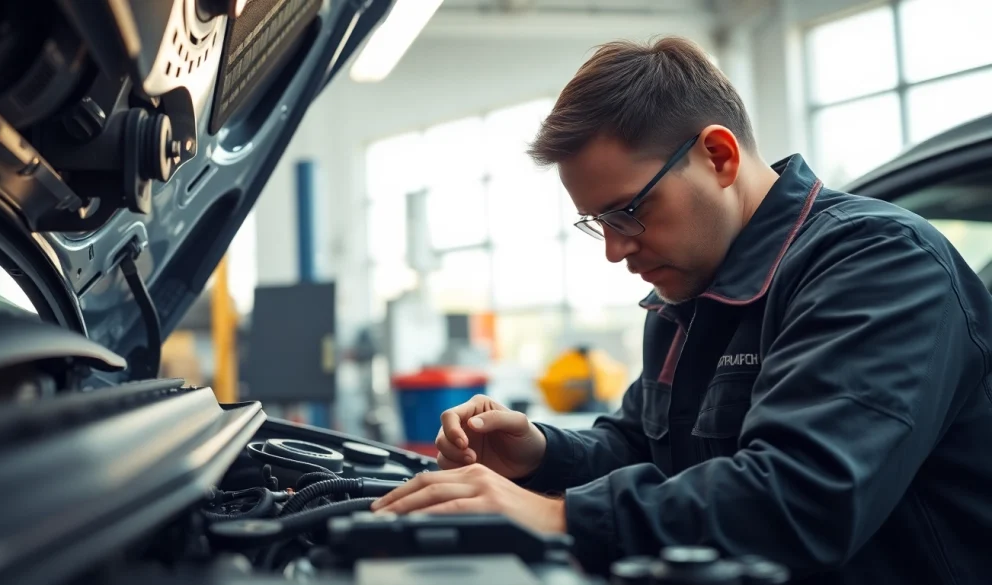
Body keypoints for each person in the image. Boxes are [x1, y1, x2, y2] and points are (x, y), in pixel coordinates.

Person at [370, 36, 992, 584]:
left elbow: (803, 499)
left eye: (628, 211)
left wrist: (558, 512)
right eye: (598, 224)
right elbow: (645, 447)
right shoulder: (690, 294)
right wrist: (540, 454)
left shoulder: (877, 262)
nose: (616, 250)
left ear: (718, 156)